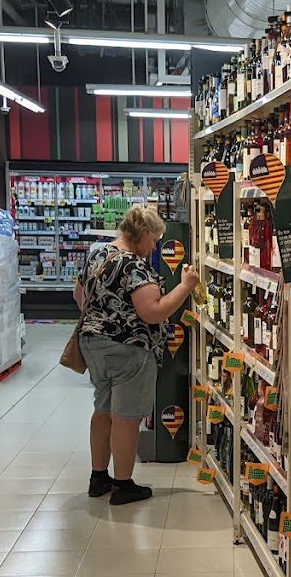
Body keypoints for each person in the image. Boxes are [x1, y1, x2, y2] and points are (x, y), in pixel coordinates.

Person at [74, 204, 198, 505]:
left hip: (93, 345)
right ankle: (123, 484)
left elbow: (79, 295)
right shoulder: (133, 265)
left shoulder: (99, 255)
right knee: (126, 418)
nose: (154, 247)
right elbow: (153, 312)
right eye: (153, 240)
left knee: (103, 411)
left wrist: (104, 320)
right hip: (128, 349)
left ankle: (98, 477)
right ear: (141, 234)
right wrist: (185, 287)